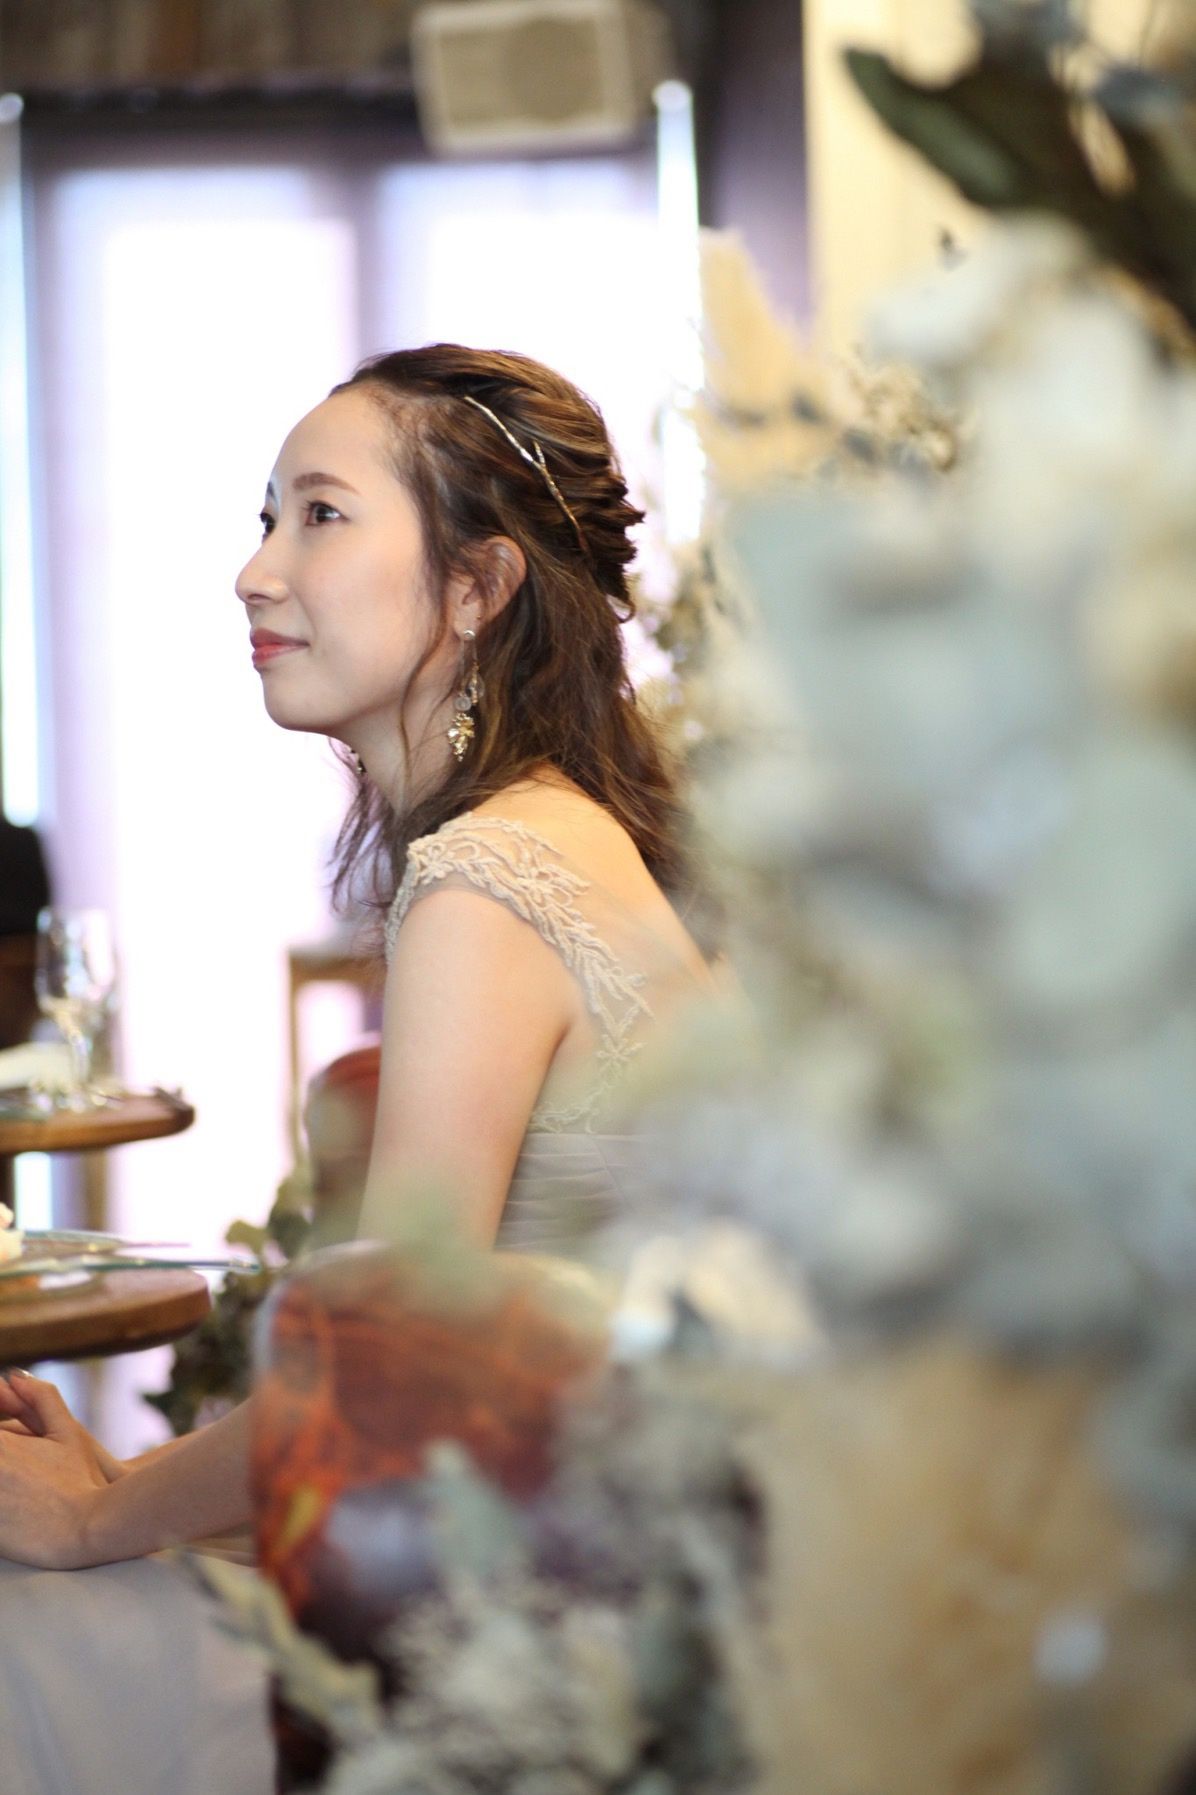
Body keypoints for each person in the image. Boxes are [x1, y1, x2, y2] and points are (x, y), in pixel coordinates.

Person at [0, 345, 718, 1793]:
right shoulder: (558, 830)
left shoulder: (487, 881)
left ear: (478, 587)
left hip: (549, 1642)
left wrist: (95, 1514)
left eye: (321, 515)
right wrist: (123, 1479)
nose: (255, 572)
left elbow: (387, 1395)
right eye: (267, 516)